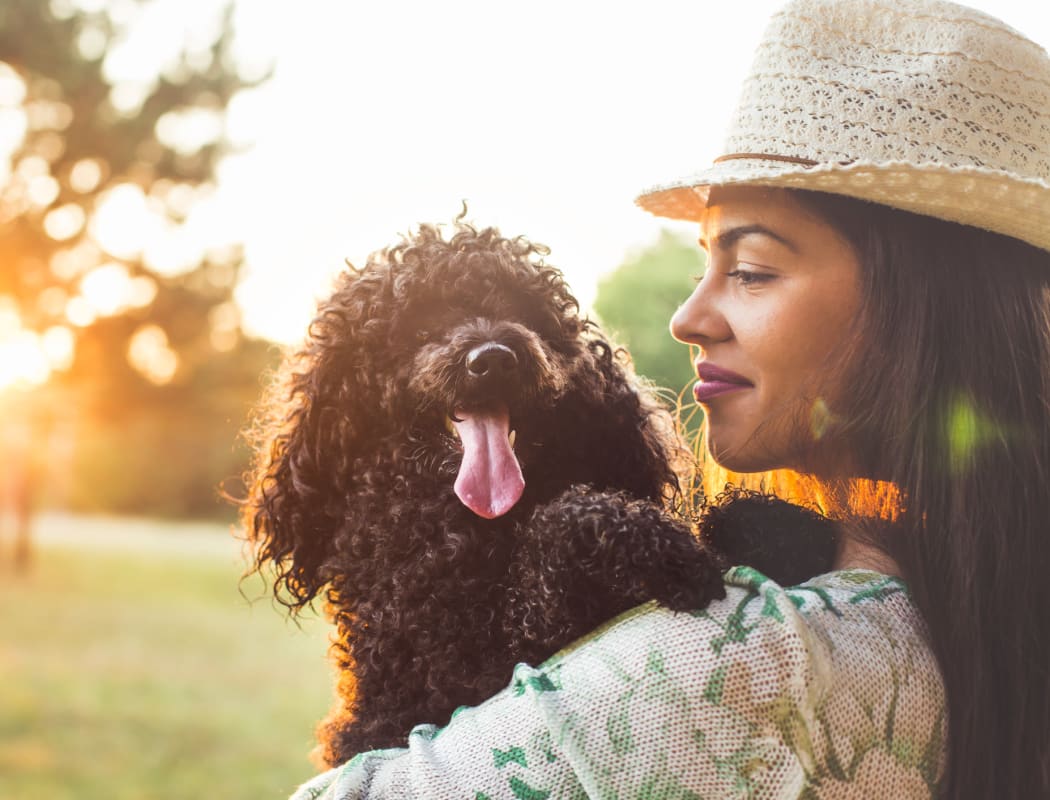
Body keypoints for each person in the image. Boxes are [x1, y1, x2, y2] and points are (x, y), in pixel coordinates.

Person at [287, 0, 1050, 797]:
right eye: (701, 269)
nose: (687, 319)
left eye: (750, 270)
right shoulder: (985, 605)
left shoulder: (731, 666)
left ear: (918, 311)